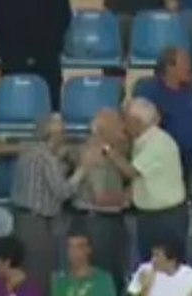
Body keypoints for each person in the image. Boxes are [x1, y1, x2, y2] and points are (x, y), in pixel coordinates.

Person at [11, 113, 90, 290]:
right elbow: (61, 192)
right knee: (41, 276)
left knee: (28, 275)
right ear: (54, 136)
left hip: (22, 219)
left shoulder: (29, 150)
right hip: (37, 224)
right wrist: (83, 169)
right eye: (61, 133)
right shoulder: (46, 157)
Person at [104, 98, 188, 264]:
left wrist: (107, 149)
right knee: (149, 267)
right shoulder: (143, 140)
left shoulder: (157, 143)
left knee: (167, 268)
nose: (123, 124)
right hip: (149, 215)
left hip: (165, 218)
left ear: (137, 121)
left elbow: (131, 172)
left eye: (125, 119)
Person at [70, 108, 130, 291]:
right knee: (106, 280)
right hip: (100, 225)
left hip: (98, 222)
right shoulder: (95, 155)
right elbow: (101, 198)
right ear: (106, 131)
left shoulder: (107, 151)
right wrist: (128, 197)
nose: (123, 131)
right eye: (119, 127)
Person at [135, 48, 192, 194]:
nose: (190, 67)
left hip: (188, 159)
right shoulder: (150, 91)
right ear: (170, 67)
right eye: (185, 63)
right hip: (160, 162)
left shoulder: (191, 90)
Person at [125, 240, 192, 296]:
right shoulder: (145, 270)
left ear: (172, 260)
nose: (152, 260)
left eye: (157, 255)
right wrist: (145, 288)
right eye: (152, 254)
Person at [52, 230, 116, 296]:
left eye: (79, 246)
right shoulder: (59, 280)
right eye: (70, 246)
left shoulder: (103, 280)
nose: (74, 252)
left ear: (89, 249)